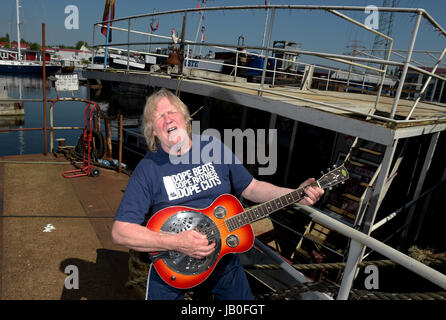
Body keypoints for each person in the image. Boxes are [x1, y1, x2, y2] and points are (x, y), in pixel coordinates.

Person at [111, 88, 324, 300]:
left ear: (185, 119)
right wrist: (177, 242)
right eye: (159, 116)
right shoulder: (147, 169)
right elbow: (121, 232)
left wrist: (296, 193)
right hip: (172, 266)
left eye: (172, 112)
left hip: (223, 261)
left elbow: (252, 187)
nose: (167, 119)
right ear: (153, 132)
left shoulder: (213, 147)